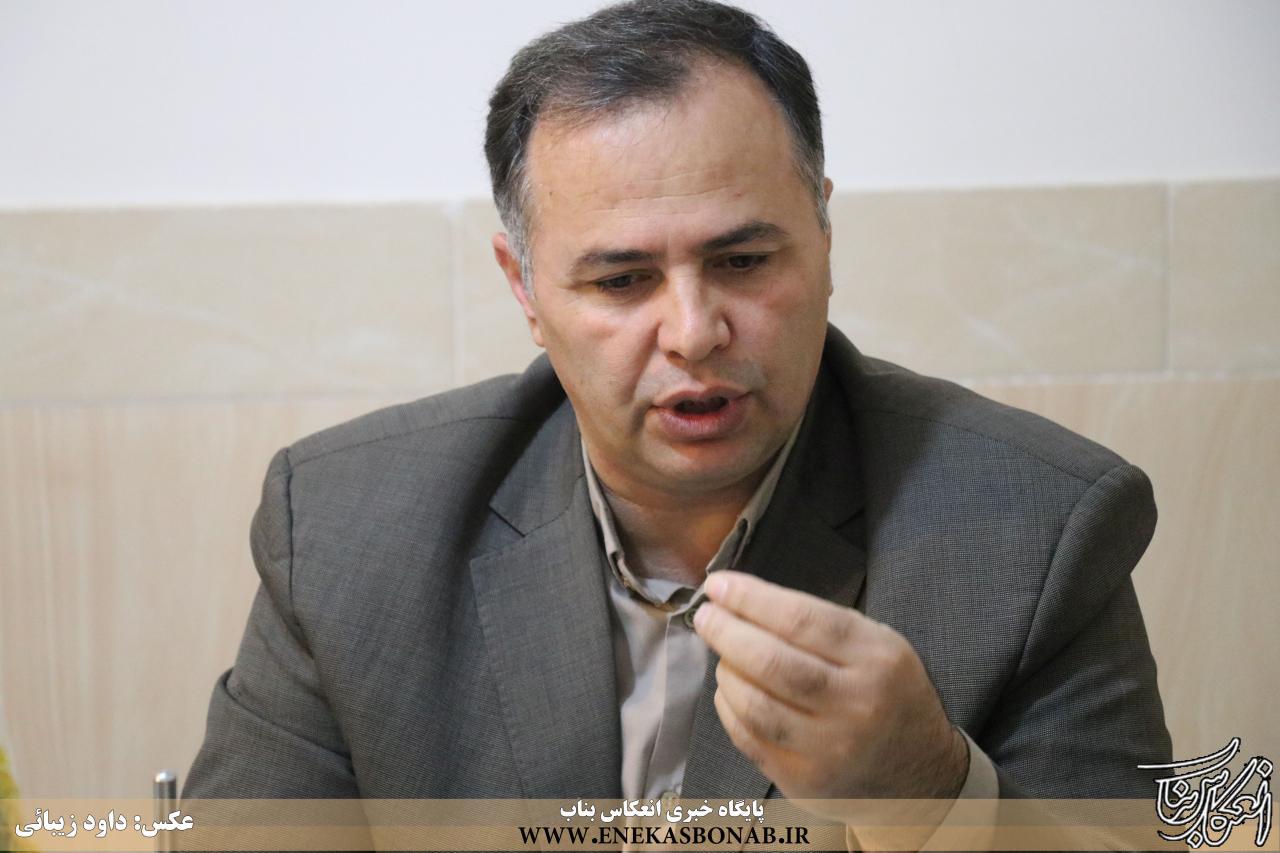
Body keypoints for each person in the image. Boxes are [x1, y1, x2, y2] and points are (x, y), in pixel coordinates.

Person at [185, 0, 1171, 847]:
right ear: (524, 289)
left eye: (743, 262)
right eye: (622, 280)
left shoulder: (1037, 527)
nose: (694, 332)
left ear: (823, 234)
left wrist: (929, 793)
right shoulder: (346, 529)